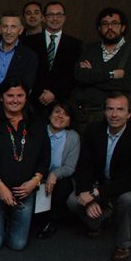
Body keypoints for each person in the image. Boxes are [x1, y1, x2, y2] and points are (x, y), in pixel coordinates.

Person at [67, 92, 131, 261]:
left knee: (129, 201)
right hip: (99, 181)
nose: (114, 114)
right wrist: (85, 194)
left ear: (129, 114)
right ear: (104, 112)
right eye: (110, 109)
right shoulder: (93, 131)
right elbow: (85, 165)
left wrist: (95, 194)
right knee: (73, 201)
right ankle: (99, 221)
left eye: (120, 109)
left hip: (125, 184)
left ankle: (123, 245)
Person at [0, 77, 50, 251]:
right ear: (1, 97)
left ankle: (4, 219)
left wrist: (35, 181)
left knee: (18, 244)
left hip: (24, 192)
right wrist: (0, 186)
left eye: (20, 95)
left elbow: (45, 156)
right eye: (10, 95)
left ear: (26, 97)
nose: (15, 100)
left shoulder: (36, 122)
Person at [70, 7, 131, 132]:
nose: (109, 27)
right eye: (105, 24)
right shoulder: (89, 49)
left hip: (114, 117)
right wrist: (111, 74)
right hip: (84, 115)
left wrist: (92, 76)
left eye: (114, 23)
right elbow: (80, 76)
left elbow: (128, 84)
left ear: (123, 27)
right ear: (99, 28)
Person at [0, 12, 38, 122]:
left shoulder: (29, 56)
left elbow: (26, 85)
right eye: (5, 26)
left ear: (20, 30)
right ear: (0, 29)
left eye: (13, 27)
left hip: (14, 114)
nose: (8, 31)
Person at [24, 1, 82, 116]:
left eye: (59, 15)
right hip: (33, 103)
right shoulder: (29, 42)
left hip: (62, 104)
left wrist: (55, 94)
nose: (55, 18)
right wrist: (38, 93)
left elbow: (74, 77)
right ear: (44, 18)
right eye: (51, 15)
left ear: (64, 18)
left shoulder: (76, 45)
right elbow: (26, 72)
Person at [35, 102, 80, 239]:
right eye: (57, 111)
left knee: (63, 185)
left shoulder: (73, 137)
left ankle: (52, 222)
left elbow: (70, 167)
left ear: (69, 121)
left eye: (66, 114)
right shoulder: (37, 131)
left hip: (59, 178)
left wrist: (54, 174)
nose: (60, 116)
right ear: (49, 115)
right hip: (36, 174)